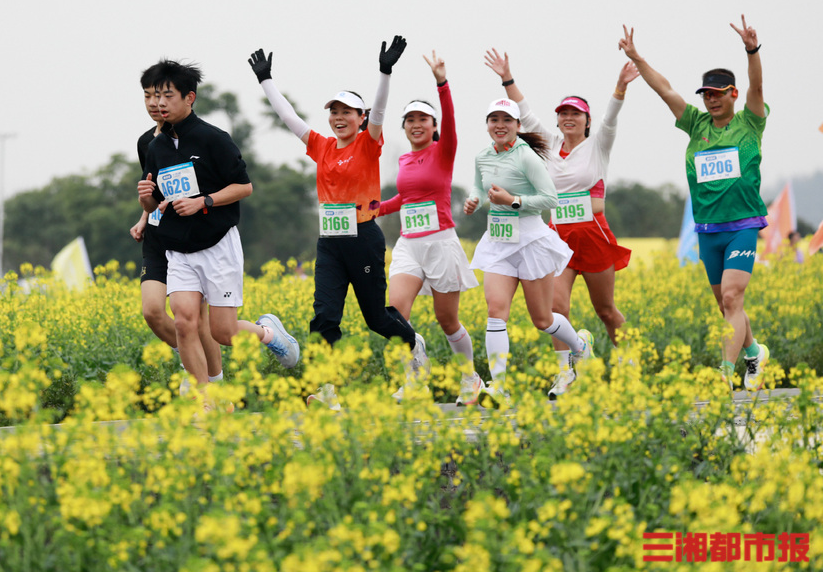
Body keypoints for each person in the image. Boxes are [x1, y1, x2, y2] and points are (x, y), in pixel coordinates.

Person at [249, 37, 429, 409]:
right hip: (330, 242)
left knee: (376, 318)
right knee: (324, 317)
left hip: (363, 237)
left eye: (347, 112)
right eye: (334, 111)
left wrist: (385, 72)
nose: (339, 117)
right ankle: (327, 389)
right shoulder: (322, 146)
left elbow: (380, 111)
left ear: (360, 118)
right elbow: (289, 119)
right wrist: (266, 81)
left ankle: (414, 344)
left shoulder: (368, 143)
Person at [619, 17, 770, 392]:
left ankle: (724, 375)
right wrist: (636, 57)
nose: (711, 99)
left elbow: (758, 84)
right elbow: (664, 89)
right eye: (707, 93)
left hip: (743, 225)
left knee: (734, 297)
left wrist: (752, 50)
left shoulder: (751, 122)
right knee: (726, 306)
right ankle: (754, 351)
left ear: (733, 94)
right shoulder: (694, 124)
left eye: (719, 93)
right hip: (708, 229)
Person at [137, 59, 299, 400]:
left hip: (217, 246)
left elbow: (244, 187)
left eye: (168, 95)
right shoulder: (155, 148)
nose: (160, 103)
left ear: (189, 98)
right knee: (184, 322)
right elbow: (156, 205)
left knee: (223, 332)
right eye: (155, 96)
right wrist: (149, 201)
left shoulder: (214, 139)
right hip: (178, 250)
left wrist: (204, 202)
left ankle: (269, 334)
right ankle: (207, 400)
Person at [484, 49, 637, 399]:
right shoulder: (548, 145)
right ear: (557, 121)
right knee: (556, 308)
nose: (568, 118)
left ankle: (628, 363)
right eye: (563, 113)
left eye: (576, 114)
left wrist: (620, 87)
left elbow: (611, 118)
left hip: (593, 235)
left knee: (606, 310)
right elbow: (524, 113)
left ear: (586, 121)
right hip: (558, 238)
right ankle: (565, 371)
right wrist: (507, 77)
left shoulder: (598, 145)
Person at [463, 98, 594, 407]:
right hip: (498, 241)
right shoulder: (482, 156)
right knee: (496, 311)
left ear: (518, 126)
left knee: (543, 319)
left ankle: (581, 347)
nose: (499, 125)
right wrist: (473, 200)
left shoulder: (527, 158)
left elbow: (551, 199)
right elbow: (479, 188)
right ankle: (500, 386)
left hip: (531, 241)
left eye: (506, 120)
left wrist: (514, 200)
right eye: (493, 119)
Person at [378, 51, 481, 404]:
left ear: (434, 126)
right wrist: (376, 208)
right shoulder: (405, 159)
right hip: (409, 243)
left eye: (423, 119)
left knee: (447, 320)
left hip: (440, 243)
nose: (416, 124)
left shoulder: (443, 150)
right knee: (394, 312)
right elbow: (406, 199)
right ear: (404, 126)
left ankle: (471, 379)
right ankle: (415, 376)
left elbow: (451, 120)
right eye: (410, 120)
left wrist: (442, 82)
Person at [130, 66, 222, 391]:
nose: (155, 102)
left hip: (194, 238)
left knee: (196, 320)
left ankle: (214, 388)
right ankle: (190, 361)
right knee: (153, 312)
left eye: (161, 95)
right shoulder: (146, 143)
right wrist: (144, 216)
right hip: (158, 236)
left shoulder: (198, 138)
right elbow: (154, 191)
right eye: (148, 95)